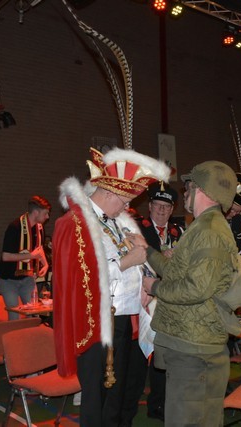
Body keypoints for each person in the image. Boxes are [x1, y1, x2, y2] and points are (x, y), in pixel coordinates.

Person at [53, 147, 169, 427]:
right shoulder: (76, 223)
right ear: (108, 193)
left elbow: (122, 263)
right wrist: (129, 261)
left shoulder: (114, 223)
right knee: (99, 399)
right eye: (125, 201)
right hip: (98, 323)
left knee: (119, 396)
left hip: (124, 319)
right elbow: (84, 277)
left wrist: (142, 276)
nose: (127, 208)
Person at [142, 160, 238, 426]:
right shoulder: (202, 227)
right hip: (191, 341)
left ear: (203, 191)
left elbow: (197, 288)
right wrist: (147, 251)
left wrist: (155, 287)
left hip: (194, 349)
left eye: (190, 187)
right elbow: (177, 271)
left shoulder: (208, 231)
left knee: (186, 420)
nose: (185, 192)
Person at [125, 181, 183, 422]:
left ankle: (158, 404)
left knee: (164, 355)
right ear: (149, 206)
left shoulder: (178, 232)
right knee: (137, 359)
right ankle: (127, 410)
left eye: (166, 207)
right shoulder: (137, 229)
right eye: (157, 205)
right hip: (143, 299)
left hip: (169, 300)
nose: (161, 210)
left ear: (172, 209)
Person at [0, 195, 50, 320]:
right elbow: (6, 256)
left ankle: (32, 333)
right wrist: (31, 256)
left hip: (28, 278)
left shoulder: (39, 227)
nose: (47, 217)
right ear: (36, 212)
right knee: (14, 316)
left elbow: (39, 249)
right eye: (45, 213)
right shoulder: (15, 227)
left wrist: (45, 264)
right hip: (9, 279)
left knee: (34, 314)